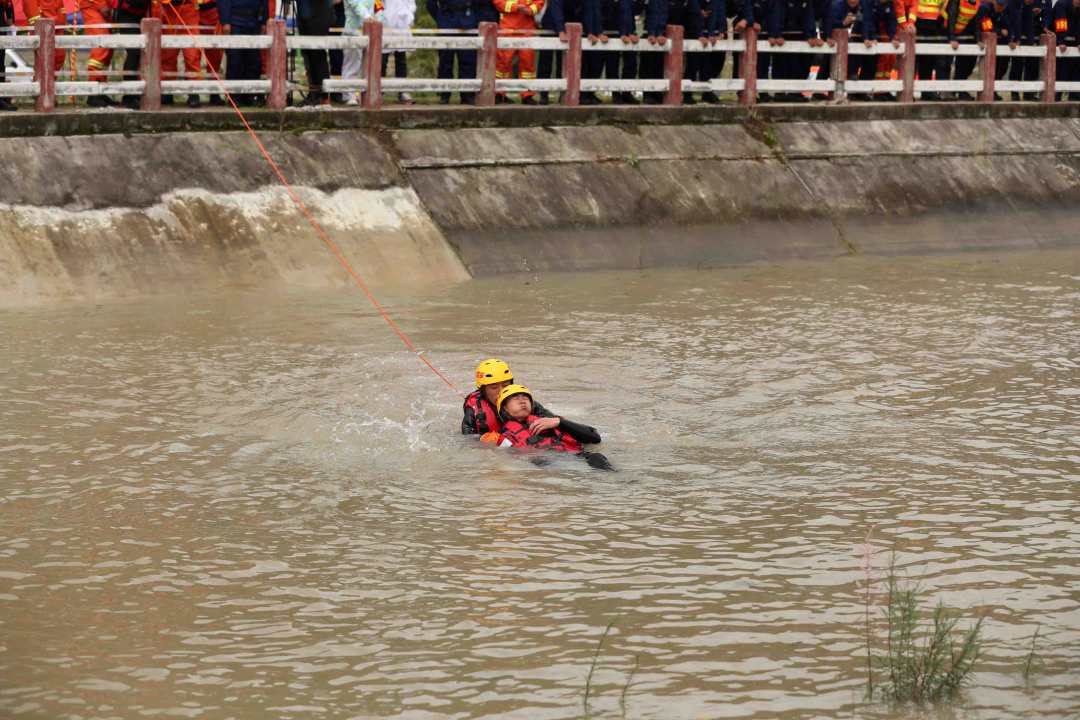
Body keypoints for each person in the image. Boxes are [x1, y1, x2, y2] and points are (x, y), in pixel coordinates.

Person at [496, 384, 613, 470]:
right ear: (505, 408)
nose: (522, 401)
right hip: (548, 462)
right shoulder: (503, 436)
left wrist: (560, 422)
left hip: (575, 456)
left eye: (525, 398)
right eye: (516, 398)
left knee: (597, 457)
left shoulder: (550, 420)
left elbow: (595, 437)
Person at [462, 358, 554, 436]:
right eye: (494, 387)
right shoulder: (473, 410)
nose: (501, 391)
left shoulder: (523, 402)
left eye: (505, 385)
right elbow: (467, 441)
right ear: (483, 391)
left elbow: (553, 420)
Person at [427, 0, 477, 104]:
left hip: (468, 23)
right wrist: (441, 19)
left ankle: (467, 95)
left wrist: (474, 19)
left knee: (468, 62)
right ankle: (445, 94)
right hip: (447, 22)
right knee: (445, 62)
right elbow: (431, 4)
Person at [495, 0, 545, 103]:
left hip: (527, 28)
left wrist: (530, 10)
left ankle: (527, 95)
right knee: (503, 63)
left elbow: (539, 2)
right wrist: (516, 7)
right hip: (508, 27)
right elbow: (498, 2)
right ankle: (499, 93)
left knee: (528, 63)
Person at [220, 0, 268, 105]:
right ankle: (234, 96)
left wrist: (264, 21)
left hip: (254, 22)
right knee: (235, 60)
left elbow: (264, 2)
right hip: (235, 22)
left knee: (253, 61)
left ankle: (250, 95)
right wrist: (225, 21)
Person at [297, 0, 334, 104]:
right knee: (308, 56)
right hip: (304, 16)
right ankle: (313, 93)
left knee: (317, 55)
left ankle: (323, 95)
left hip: (318, 16)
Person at [342, 0, 376, 105]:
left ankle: (362, 95)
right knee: (352, 65)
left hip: (369, 32)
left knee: (365, 67)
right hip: (352, 31)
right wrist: (367, 16)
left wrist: (380, 18)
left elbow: (378, 5)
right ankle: (349, 95)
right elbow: (356, 5)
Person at [381, 0, 414, 103]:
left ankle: (402, 91)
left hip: (402, 25)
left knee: (401, 60)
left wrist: (409, 14)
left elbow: (411, 4)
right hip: (385, 24)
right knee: (382, 60)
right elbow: (377, 2)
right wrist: (380, 15)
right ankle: (379, 91)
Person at [198, 0, 226, 105]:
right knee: (192, 56)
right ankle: (193, 94)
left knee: (215, 57)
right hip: (193, 12)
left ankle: (214, 93)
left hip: (215, 13)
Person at [1052, 0, 1080, 100]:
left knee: (1076, 67)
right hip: (1059, 40)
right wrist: (1061, 41)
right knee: (1060, 69)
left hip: (1073, 41)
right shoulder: (1061, 4)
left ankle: (1074, 94)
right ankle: (1057, 95)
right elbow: (1060, 22)